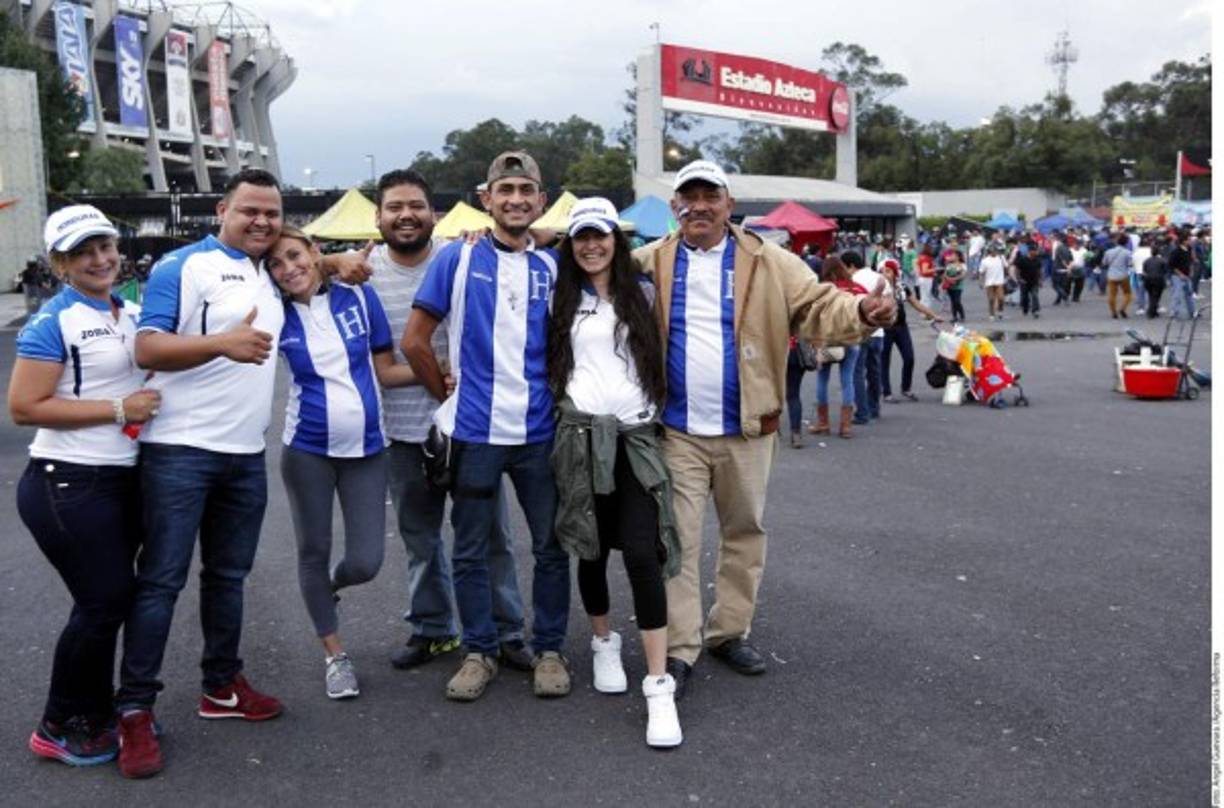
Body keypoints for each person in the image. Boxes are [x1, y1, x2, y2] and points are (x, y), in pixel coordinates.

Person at [632, 160, 894, 697]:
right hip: (676, 429)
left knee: (744, 532)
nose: (699, 205)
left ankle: (729, 631)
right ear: (675, 206)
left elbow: (821, 305)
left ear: (730, 205)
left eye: (711, 196)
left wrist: (864, 311)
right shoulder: (647, 261)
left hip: (747, 428)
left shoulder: (771, 262)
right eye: (689, 196)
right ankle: (680, 647)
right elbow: (594, 278)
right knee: (675, 541)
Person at [115, 168, 288, 779]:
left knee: (228, 577)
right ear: (223, 209)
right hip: (179, 451)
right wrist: (220, 343)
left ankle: (221, 687)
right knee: (160, 581)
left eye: (272, 212)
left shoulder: (273, 272)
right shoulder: (182, 266)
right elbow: (148, 348)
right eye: (250, 211)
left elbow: (321, 269)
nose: (262, 222)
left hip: (244, 455)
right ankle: (134, 709)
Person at [403, 151, 571, 702]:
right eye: (506, 190)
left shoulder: (553, 263)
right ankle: (480, 650)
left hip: (540, 433)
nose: (516, 199)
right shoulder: (457, 256)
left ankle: (548, 648)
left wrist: (552, 236)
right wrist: (442, 393)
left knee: (550, 547)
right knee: (470, 548)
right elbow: (415, 339)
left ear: (540, 201)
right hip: (474, 434)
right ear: (486, 198)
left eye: (527, 189)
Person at [361, 170, 532, 674]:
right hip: (405, 430)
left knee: (491, 537)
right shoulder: (362, 269)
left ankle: (507, 630)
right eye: (394, 207)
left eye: (416, 205)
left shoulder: (462, 256)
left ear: (434, 214)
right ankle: (432, 628)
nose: (406, 215)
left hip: (473, 430)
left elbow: (524, 241)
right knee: (421, 539)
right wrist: (438, 386)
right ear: (379, 217)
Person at [9, 206, 160, 767]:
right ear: (60, 263)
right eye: (82, 253)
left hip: (123, 478)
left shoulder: (134, 311)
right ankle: (58, 723)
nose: (100, 260)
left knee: (108, 602)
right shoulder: (54, 320)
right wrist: (119, 406)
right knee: (103, 602)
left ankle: (95, 714)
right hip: (65, 481)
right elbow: (25, 407)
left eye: (105, 246)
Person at [547, 197, 682, 747]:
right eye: (581, 237)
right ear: (570, 244)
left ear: (616, 240)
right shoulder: (558, 296)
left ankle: (658, 685)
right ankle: (604, 643)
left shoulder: (645, 291)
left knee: (644, 554)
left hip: (636, 440)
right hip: (580, 437)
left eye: (600, 235)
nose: (591, 245)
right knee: (592, 546)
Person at [265, 228, 404, 700]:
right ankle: (334, 654)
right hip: (307, 452)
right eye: (277, 265)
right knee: (313, 551)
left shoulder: (359, 298)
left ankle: (327, 590)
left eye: (295, 256)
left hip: (367, 450)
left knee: (366, 561)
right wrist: (331, 259)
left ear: (314, 253)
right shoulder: (272, 311)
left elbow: (385, 367)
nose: (289, 269)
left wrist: (438, 375)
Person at [809, 255, 865, 439]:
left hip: (827, 341)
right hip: (851, 340)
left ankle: (823, 423)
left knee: (822, 380)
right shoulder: (856, 288)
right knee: (847, 380)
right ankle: (845, 426)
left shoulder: (823, 290)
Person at [879, 258, 942, 404]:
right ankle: (886, 392)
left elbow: (916, 304)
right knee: (884, 361)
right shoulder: (878, 288)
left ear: (895, 273)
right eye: (882, 271)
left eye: (888, 271)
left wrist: (933, 315)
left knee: (909, 358)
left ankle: (906, 388)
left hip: (901, 327)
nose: (885, 274)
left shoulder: (902, 288)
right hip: (885, 328)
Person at [1102, 233, 1133, 319]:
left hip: (1111, 276)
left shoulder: (1108, 252)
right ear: (1126, 243)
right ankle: (1122, 308)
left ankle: (1113, 312)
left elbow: (1104, 263)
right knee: (1128, 294)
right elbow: (1130, 264)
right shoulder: (1128, 253)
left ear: (1116, 242)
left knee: (1112, 295)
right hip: (1123, 276)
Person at [1014, 239, 1043, 319]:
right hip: (1024, 281)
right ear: (1030, 251)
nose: (1036, 252)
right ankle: (1025, 309)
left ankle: (1035, 311)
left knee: (1035, 295)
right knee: (1025, 297)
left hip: (1034, 281)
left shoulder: (1037, 260)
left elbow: (1039, 270)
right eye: (1034, 251)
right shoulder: (1022, 260)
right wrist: (1019, 279)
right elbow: (1017, 270)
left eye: (1036, 251)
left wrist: (1040, 280)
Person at [980, 245, 1008, 320]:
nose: (994, 252)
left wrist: (1006, 276)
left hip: (999, 281)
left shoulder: (1001, 258)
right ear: (989, 252)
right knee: (991, 299)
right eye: (992, 251)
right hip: (989, 282)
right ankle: (991, 314)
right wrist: (981, 282)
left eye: (995, 250)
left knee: (1001, 298)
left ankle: (1000, 311)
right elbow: (981, 272)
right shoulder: (985, 261)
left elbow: (1006, 267)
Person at [1141, 241, 1168, 319]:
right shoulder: (1162, 260)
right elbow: (1165, 271)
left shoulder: (1146, 261)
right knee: (1157, 296)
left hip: (1148, 279)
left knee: (1151, 295)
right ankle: (1151, 312)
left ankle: (1153, 311)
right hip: (1159, 279)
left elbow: (1144, 270)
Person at [941, 251, 967, 323]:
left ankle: (962, 315)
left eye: (954, 255)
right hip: (950, 286)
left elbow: (963, 275)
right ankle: (954, 316)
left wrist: (954, 279)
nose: (952, 257)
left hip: (958, 286)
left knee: (957, 301)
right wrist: (947, 279)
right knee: (952, 301)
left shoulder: (962, 265)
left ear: (958, 257)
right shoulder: (949, 265)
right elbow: (945, 274)